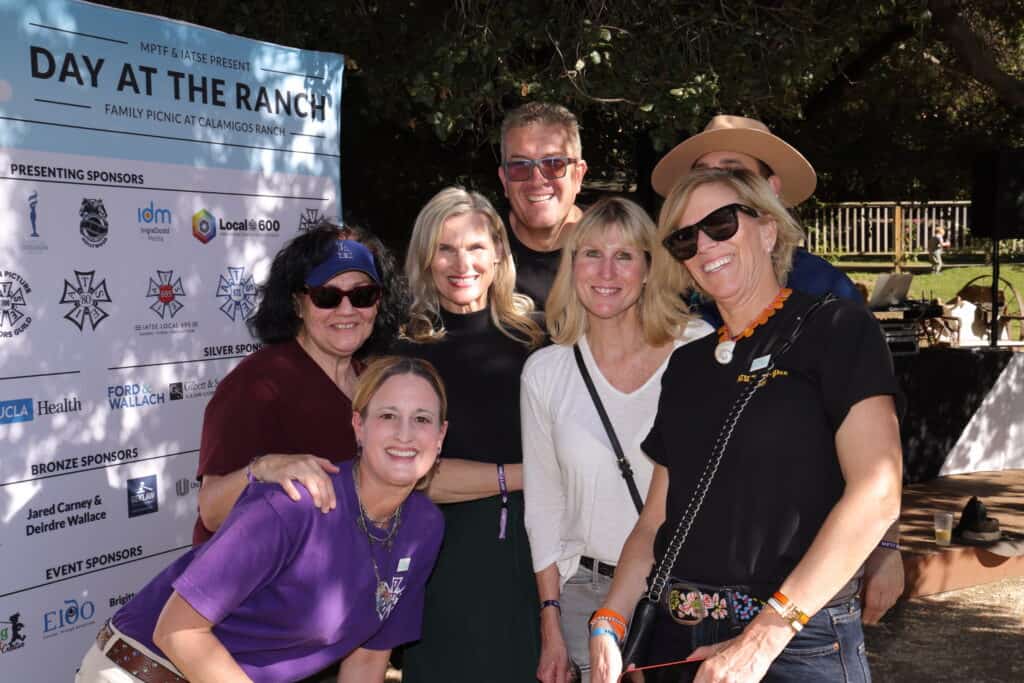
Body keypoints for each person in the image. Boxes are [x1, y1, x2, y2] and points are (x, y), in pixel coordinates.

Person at [590, 168, 902, 683]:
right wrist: (611, 617)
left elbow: (878, 492)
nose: (704, 245)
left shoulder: (837, 328)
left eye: (720, 223)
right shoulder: (687, 366)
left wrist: (764, 636)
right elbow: (656, 522)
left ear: (767, 229)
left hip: (796, 638)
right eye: (685, 239)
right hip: (678, 634)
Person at [650, 114, 903, 626]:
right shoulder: (684, 316)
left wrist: (886, 545)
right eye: (686, 236)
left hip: (798, 612)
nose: (705, 241)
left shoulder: (830, 301)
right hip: (697, 609)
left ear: (767, 199)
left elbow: (876, 457)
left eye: (731, 177)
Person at [76, 355, 448, 683]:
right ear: (359, 426)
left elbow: (367, 657)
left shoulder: (423, 528)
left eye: (421, 419)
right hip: (144, 671)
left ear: (441, 435)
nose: (405, 434)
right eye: (387, 415)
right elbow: (179, 631)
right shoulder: (295, 504)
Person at [522, 197, 712, 682]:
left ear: (649, 269)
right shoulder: (546, 372)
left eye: (624, 255)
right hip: (587, 594)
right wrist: (550, 621)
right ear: (571, 266)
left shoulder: (696, 348)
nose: (606, 271)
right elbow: (544, 506)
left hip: (687, 591)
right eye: (591, 254)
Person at [394, 186, 546, 683]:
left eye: (476, 246)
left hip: (536, 557)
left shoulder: (541, 341)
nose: (462, 263)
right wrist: (529, 475)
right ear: (424, 258)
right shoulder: (402, 354)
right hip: (440, 559)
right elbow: (410, 476)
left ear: (499, 253)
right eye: (445, 248)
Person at [192, 222, 408, 545]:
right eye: (327, 296)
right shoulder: (255, 385)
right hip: (269, 588)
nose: (347, 310)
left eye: (363, 295)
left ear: (379, 302)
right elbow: (211, 511)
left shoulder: (376, 384)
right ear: (297, 304)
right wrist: (263, 469)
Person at [498, 101, 588, 308]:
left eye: (554, 164)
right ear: (504, 180)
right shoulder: (477, 257)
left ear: (578, 176)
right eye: (520, 166)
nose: (537, 179)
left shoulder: (620, 246)